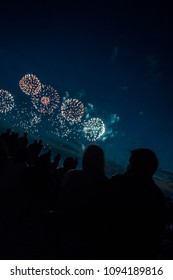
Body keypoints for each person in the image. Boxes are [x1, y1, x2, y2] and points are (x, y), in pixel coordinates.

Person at [109, 148, 166, 259]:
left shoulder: (118, 183)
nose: (128, 166)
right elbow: (156, 238)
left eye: (130, 163)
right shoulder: (159, 198)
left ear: (134, 167)